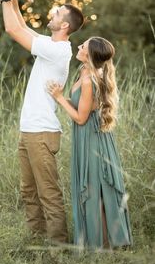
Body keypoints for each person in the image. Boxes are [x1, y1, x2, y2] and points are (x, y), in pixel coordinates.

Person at [0, 0, 84, 243]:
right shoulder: (50, 45)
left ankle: (59, 247)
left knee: (48, 192)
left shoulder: (57, 50)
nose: (52, 13)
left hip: (42, 132)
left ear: (65, 25)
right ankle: (37, 241)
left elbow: (12, 30)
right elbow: (23, 26)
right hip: (30, 130)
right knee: (28, 190)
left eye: (57, 13)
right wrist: (14, 0)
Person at [47, 37, 132, 249]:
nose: (79, 46)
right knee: (97, 190)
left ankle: (103, 246)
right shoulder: (86, 72)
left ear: (90, 54)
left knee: (96, 190)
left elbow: (80, 118)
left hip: (92, 140)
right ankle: (104, 244)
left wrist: (59, 98)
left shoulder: (88, 79)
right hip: (92, 136)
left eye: (83, 46)